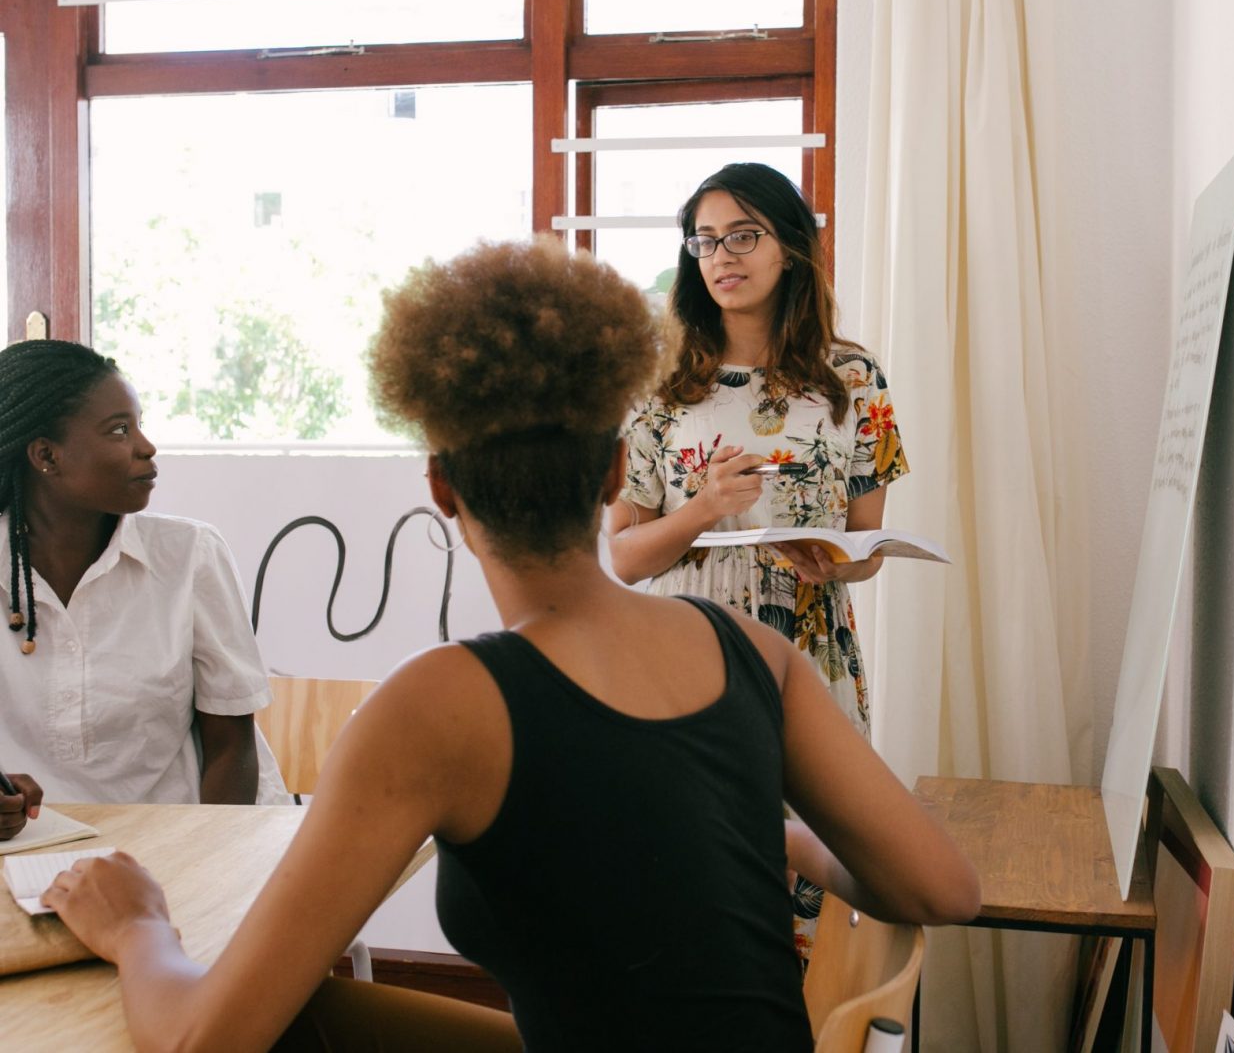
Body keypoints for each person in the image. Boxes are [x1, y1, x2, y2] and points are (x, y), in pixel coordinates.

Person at [42, 237, 979, 1052]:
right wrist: (776, 834)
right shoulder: (743, 646)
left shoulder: (438, 702)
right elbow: (943, 887)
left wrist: (138, 930)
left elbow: (200, 1040)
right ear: (616, 470)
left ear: (441, 489)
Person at [606, 162, 907, 742]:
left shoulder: (853, 376)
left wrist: (844, 564)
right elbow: (623, 559)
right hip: (686, 645)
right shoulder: (656, 381)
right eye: (706, 240)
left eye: (743, 235)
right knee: (695, 830)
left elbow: (867, 542)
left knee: (813, 829)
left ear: (790, 248)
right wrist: (702, 507)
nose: (721, 255)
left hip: (811, 647)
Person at [0, 339, 287, 807]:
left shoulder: (190, 556)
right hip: (27, 856)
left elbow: (232, 749)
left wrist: (206, 871)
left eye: (139, 426)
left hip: (179, 850)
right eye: (118, 431)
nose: (147, 447)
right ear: (46, 456)